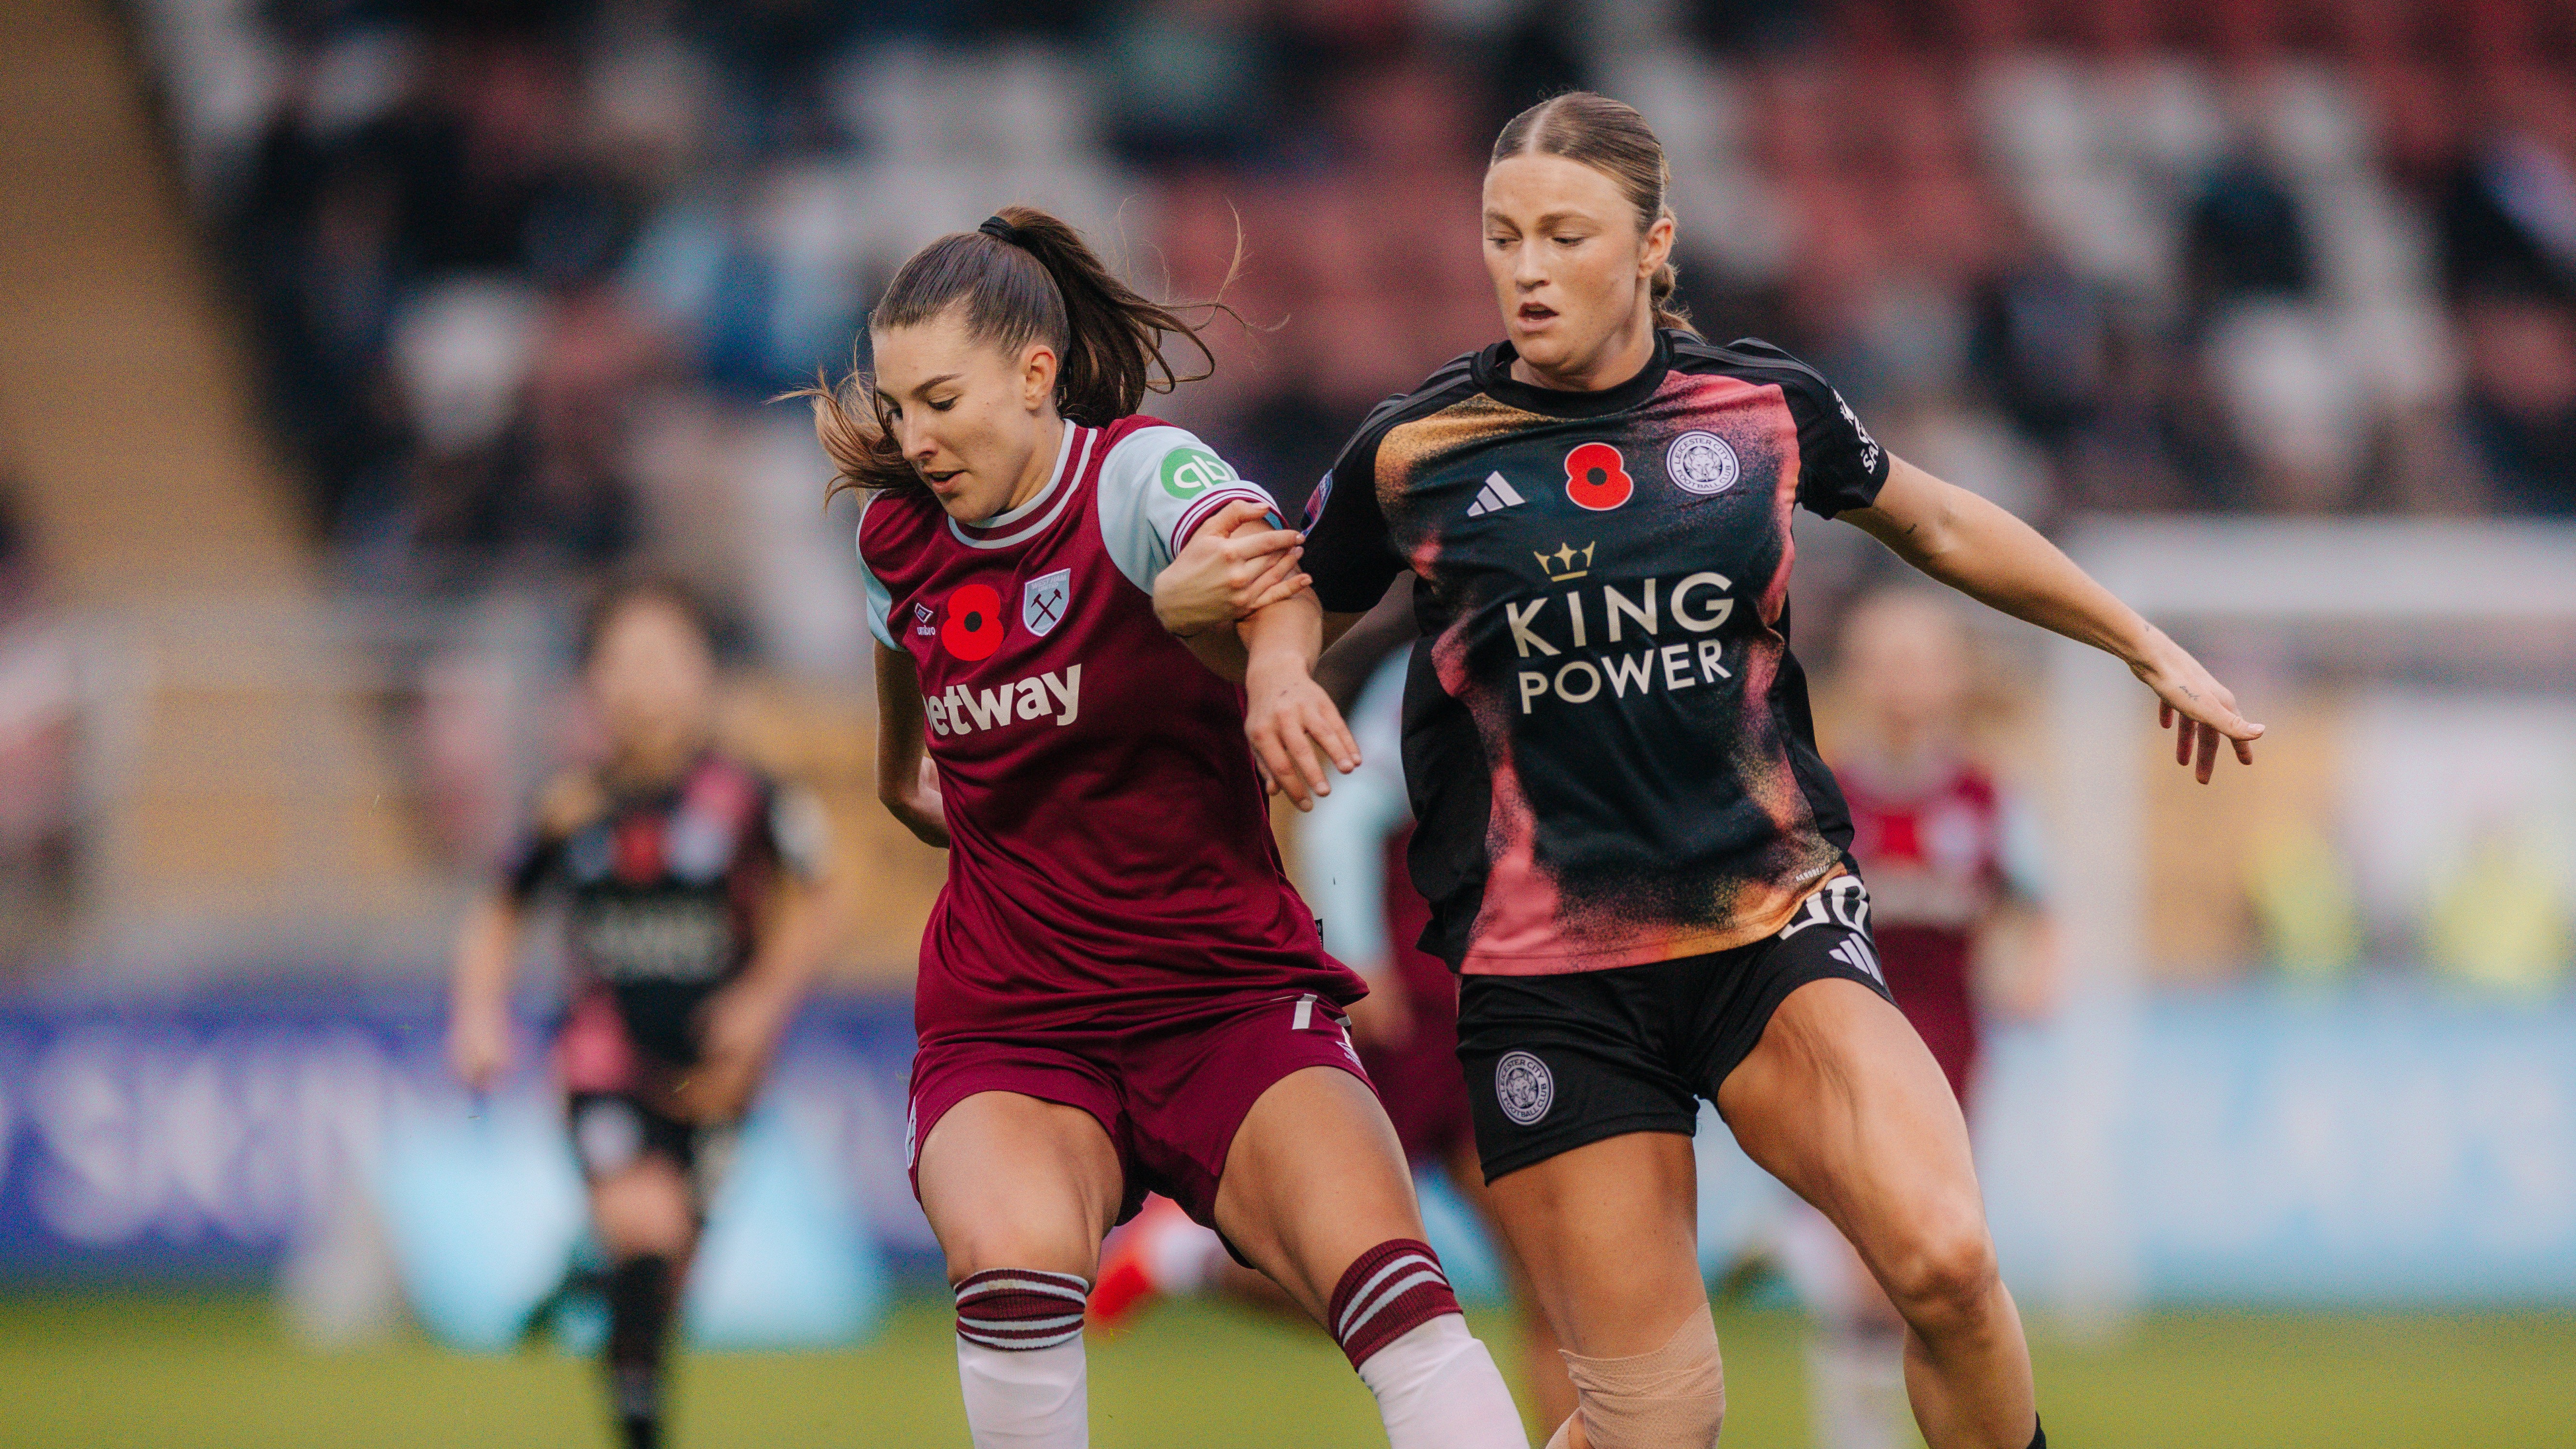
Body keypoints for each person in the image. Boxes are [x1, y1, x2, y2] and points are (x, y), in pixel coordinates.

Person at [1221, 93, 2262, 1449]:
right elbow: (1293, 586)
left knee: (1945, 1261)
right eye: (1501, 237)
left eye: (1564, 235)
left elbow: (1938, 522)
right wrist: (1278, 667)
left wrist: (2141, 643)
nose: (1527, 268)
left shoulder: (1763, 408)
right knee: (1654, 1426)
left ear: (1652, 246)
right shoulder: (1418, 451)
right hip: (1554, 985)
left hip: (1768, 929)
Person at [799, 206, 1527, 1449]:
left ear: (1035, 376)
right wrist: (917, 789)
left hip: (1224, 1002)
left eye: (939, 400)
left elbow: (1267, 573)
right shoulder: (894, 538)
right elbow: (902, 724)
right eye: (897, 407)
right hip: (1014, 1017)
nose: (913, 440)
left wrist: (1279, 675)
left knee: (1399, 1301)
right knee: (1014, 1269)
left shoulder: (1139, 475)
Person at [1088, 644, 1579, 1435]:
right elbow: (1349, 808)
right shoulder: (1450, 659)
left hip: (1477, 997)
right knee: (1442, 1282)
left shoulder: (1523, 650)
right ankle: (1192, 1258)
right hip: (1418, 1005)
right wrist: (1362, 955)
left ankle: (1189, 1260)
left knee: (1529, 1284)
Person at [448, 578, 837, 1449]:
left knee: (660, 1278)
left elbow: (822, 898)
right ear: (592, 684)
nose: (643, 682)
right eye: (621, 662)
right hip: (603, 1059)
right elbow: (497, 908)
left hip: (718, 1078)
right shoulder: (567, 803)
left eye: (663, 659)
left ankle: (593, 1277)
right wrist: (479, 1015)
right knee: (645, 1224)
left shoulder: (754, 796)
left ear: (704, 674)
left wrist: (762, 1001)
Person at [1780, 590, 2053, 1449]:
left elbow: (2039, 905)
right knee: (1882, 1258)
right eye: (1885, 662)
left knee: (1914, 1265)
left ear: (1953, 679)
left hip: (1952, 1054)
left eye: (1920, 662)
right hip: (1846, 1050)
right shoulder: (1823, 797)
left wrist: (2038, 970)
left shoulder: (1986, 798)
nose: (1903, 682)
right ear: (1854, 678)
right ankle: (1858, 1430)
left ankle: (1793, 1244)